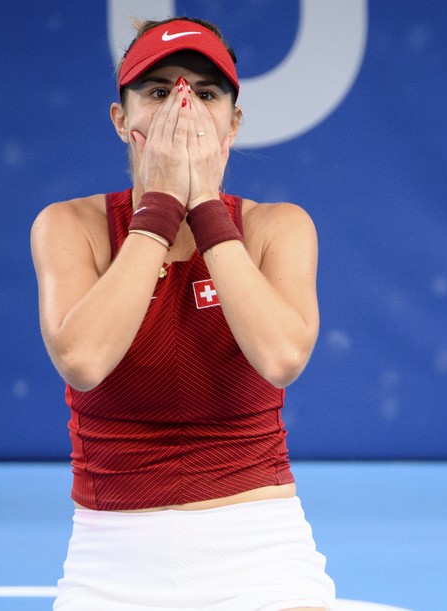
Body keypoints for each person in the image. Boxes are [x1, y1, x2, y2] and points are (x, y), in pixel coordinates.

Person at [31, 16, 336, 611]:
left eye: (206, 93)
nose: (183, 108)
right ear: (121, 120)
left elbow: (280, 358)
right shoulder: (70, 226)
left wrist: (204, 206)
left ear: (233, 123)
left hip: (262, 549)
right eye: (158, 91)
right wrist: (162, 207)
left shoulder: (280, 227)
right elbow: (84, 361)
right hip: (109, 557)